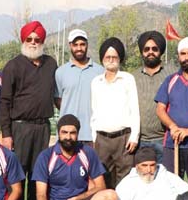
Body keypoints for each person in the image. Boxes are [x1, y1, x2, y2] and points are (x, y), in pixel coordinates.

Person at [22, 115, 118, 200]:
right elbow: (40, 194)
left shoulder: (87, 153)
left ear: (77, 134)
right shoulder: (46, 156)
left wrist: (74, 199)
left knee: (111, 196)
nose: (68, 137)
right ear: (59, 133)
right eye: (64, 132)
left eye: (72, 133)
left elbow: (101, 186)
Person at [0, 20, 58, 200]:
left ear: (42, 41)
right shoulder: (13, 65)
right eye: (29, 39)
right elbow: (4, 102)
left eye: (37, 39)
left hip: (42, 128)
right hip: (19, 128)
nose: (33, 42)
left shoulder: (51, 64)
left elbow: (57, 95)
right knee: (17, 176)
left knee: (39, 175)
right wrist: (6, 134)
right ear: (23, 40)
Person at [154, 37, 188, 191]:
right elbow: (160, 109)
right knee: (170, 186)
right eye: (183, 53)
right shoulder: (170, 80)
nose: (186, 57)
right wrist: (173, 127)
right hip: (173, 142)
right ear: (178, 56)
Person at [91, 37, 140, 188]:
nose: (111, 60)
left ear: (120, 59)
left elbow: (134, 109)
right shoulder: (96, 82)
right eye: (108, 57)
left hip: (123, 139)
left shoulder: (127, 79)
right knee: (102, 181)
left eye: (114, 57)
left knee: (125, 181)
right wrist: (95, 138)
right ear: (102, 59)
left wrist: (134, 136)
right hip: (102, 139)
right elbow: (94, 112)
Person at [54, 29, 103, 145]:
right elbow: (58, 100)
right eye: (75, 45)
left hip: (92, 134)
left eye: (82, 44)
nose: (79, 48)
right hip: (67, 134)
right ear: (70, 46)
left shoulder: (100, 71)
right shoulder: (60, 72)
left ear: (87, 45)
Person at [133, 30, 173, 162]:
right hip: (139, 142)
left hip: (165, 139)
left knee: (165, 181)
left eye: (154, 49)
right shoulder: (133, 77)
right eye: (147, 49)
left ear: (160, 51)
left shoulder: (171, 74)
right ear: (142, 52)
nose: (150, 52)